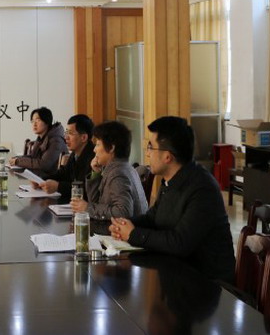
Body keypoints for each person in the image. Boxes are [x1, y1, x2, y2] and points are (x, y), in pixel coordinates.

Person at [109, 116, 235, 283]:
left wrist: (133, 234)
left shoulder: (202, 188)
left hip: (207, 283)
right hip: (177, 272)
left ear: (167, 157)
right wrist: (123, 225)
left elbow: (180, 242)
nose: (147, 153)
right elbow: (152, 218)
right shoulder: (170, 180)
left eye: (150, 147)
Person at [72, 120, 147, 219]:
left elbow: (123, 212)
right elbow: (96, 203)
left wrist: (87, 207)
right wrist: (96, 174)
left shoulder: (118, 174)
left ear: (111, 148)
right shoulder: (123, 167)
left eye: (98, 144)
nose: (94, 149)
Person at [32, 114, 95, 201]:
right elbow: (63, 174)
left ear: (83, 137)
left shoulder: (94, 158)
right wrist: (41, 180)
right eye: (66, 132)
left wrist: (58, 186)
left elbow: (86, 189)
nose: (66, 137)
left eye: (71, 133)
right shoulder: (75, 153)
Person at [9, 107, 67, 177]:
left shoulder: (56, 140)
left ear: (47, 122)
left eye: (38, 120)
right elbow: (33, 157)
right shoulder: (41, 137)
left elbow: (43, 164)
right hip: (40, 176)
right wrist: (16, 158)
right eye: (32, 121)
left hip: (51, 179)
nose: (34, 124)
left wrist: (18, 161)